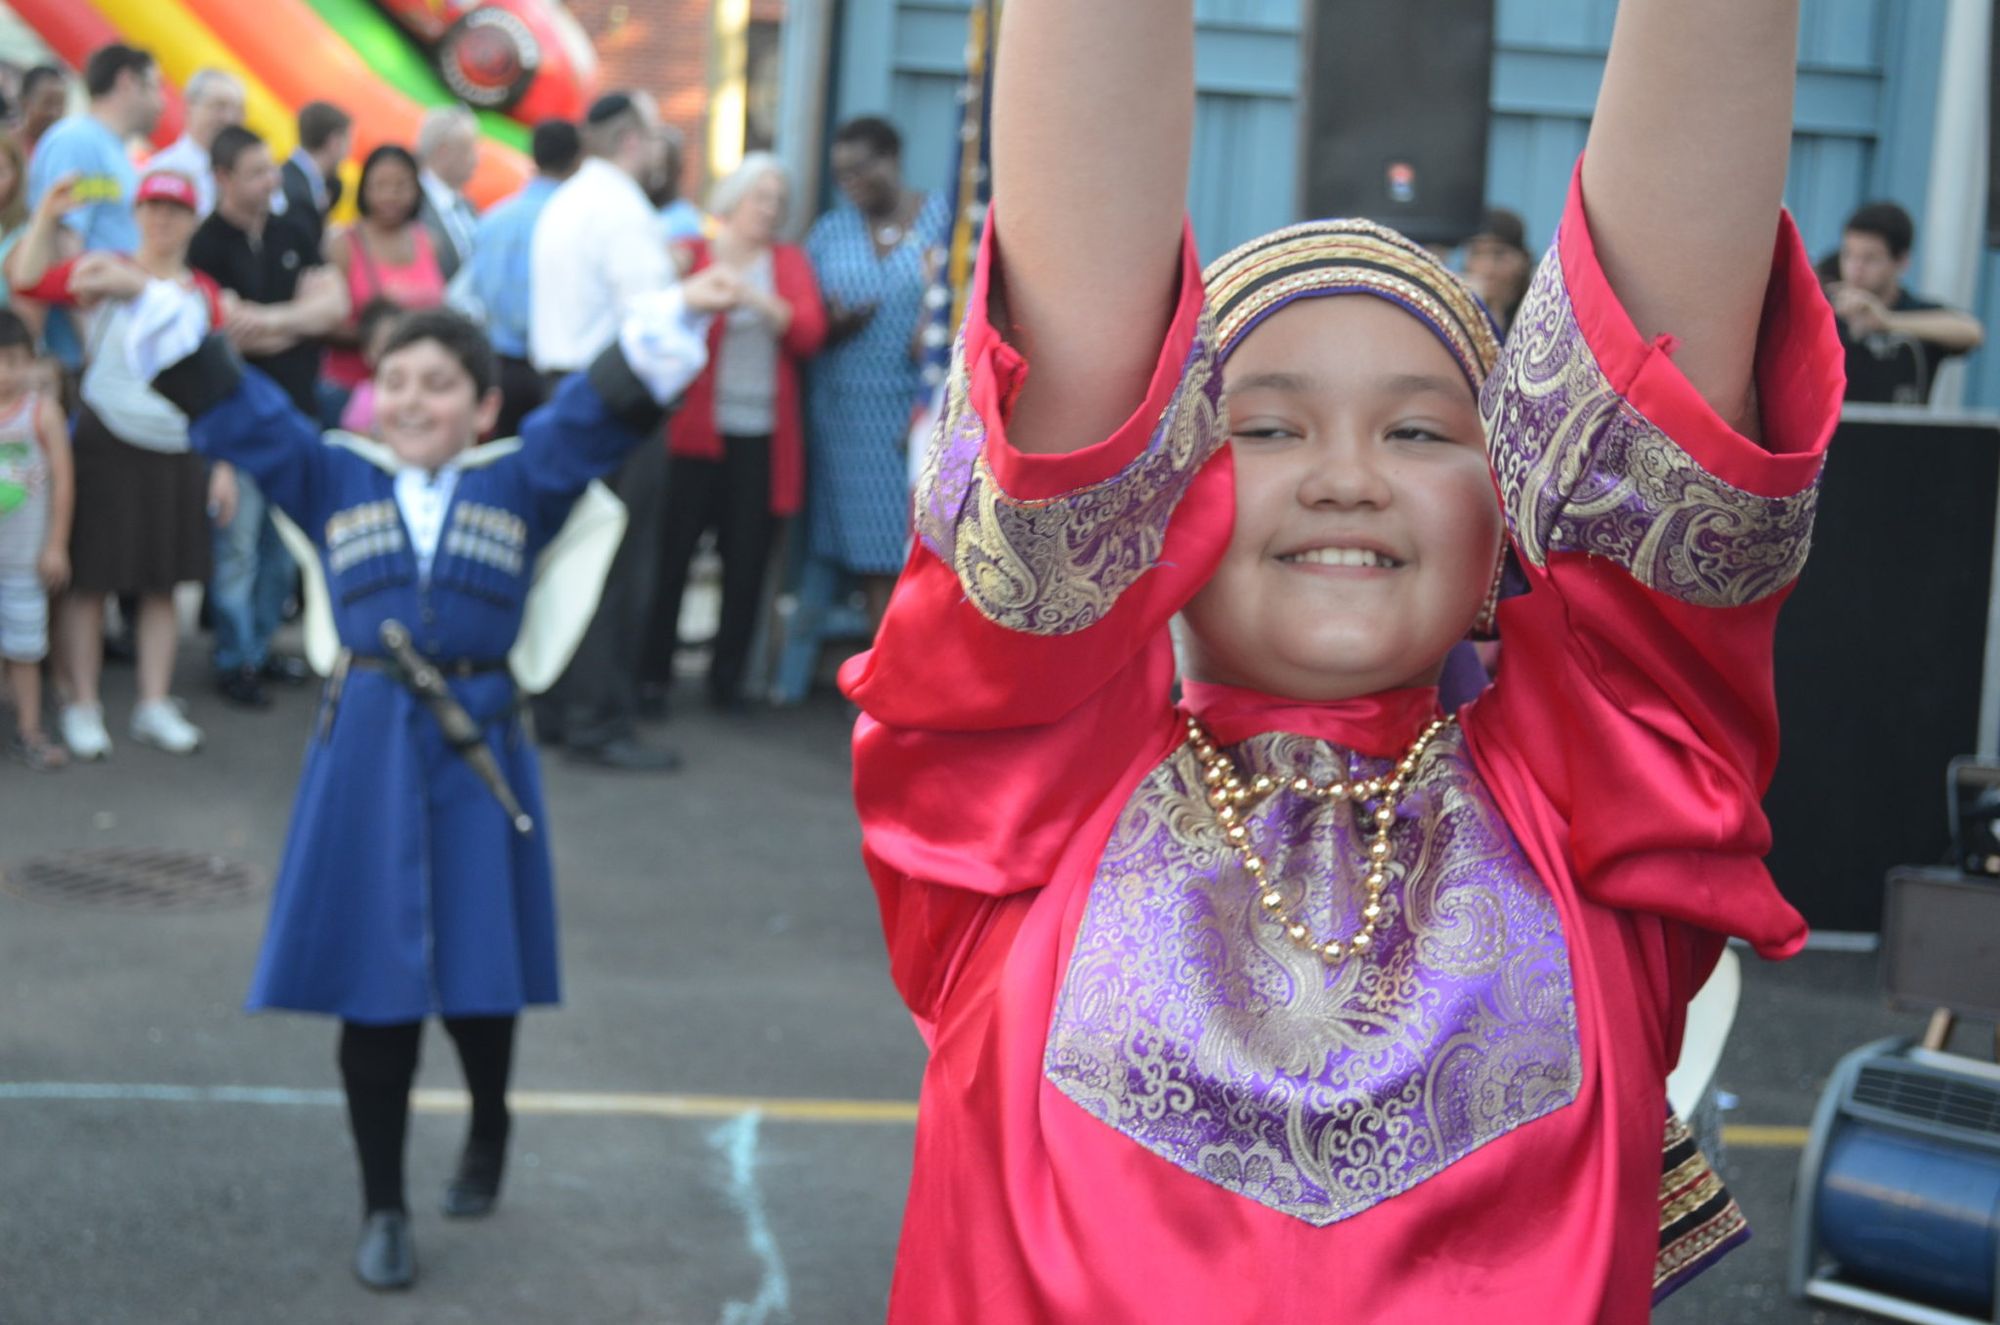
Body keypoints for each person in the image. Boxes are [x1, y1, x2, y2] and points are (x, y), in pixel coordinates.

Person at [841, 1, 1843, 1320]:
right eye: (1263, 425)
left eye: (1425, 433)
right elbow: (1064, 433)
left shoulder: (1605, 807)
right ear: (1160, 502)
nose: (1347, 478)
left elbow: (1657, 438)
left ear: (1509, 527)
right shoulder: (1021, 806)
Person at [133, 279, 724, 1291]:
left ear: (483, 407)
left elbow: (591, 419)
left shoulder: (521, 482)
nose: (412, 400)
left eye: (440, 384)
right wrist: (155, 303)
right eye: (395, 380)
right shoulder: (329, 476)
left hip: (476, 747)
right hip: (361, 753)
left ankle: (489, 1118)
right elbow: (247, 414)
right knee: (376, 991)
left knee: (480, 976)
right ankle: (383, 1204)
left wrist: (677, 312)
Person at [8, 170, 228, 758]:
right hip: (106, 437)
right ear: (136, 213)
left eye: (175, 209)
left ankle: (153, 703)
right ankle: (83, 704)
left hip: (177, 444)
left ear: (193, 219)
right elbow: (26, 280)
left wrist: (226, 464)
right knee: (90, 582)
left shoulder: (204, 291)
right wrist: (48, 216)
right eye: (153, 207)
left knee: (162, 583)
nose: (163, 219)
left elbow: (223, 387)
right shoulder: (105, 270)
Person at [529, 91, 681, 770]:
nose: (657, 154)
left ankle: (560, 704)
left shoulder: (566, 200)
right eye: (651, 141)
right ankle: (598, 719)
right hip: (614, 395)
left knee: (572, 553)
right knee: (616, 562)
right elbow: (653, 328)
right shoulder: (621, 209)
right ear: (632, 141)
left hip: (564, 386)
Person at [645, 153, 826, 714]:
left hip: (760, 435)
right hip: (694, 434)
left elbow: (808, 333)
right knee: (672, 555)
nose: (770, 210)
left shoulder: (787, 263)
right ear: (734, 201)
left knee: (745, 560)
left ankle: (728, 679)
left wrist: (753, 297)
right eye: (761, 198)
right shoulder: (693, 256)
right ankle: (652, 674)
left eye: (778, 201)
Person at [189, 124, 349, 707]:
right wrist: (296, 317)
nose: (270, 180)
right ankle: (235, 657)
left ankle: (261, 645)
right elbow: (226, 334)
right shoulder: (204, 244)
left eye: (271, 168)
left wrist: (270, 321)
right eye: (256, 171)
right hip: (238, 420)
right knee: (239, 543)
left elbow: (335, 306)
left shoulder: (295, 228)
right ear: (224, 178)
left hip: (300, 412)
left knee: (285, 546)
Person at [803, 115, 948, 627]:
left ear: (892, 160)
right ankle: (883, 671)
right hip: (850, 417)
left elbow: (968, 300)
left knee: (921, 544)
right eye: (841, 174)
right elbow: (805, 318)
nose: (851, 184)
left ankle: (907, 672)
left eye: (861, 169)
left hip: (920, 409)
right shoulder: (831, 231)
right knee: (870, 550)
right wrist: (833, 324)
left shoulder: (942, 220)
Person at [450, 119, 580, 440]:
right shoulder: (577, 221)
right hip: (555, 369)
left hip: (498, 366)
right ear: (578, 159)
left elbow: (469, 294)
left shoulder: (493, 218)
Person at [323, 145, 446, 421]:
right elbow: (324, 323)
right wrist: (377, 335)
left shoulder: (427, 241)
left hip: (416, 394)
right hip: (352, 391)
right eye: (380, 185)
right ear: (364, 188)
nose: (390, 195)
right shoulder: (343, 244)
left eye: (401, 185)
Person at [0, 308, 73, 770]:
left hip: (25, 560)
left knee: (25, 650)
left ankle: (29, 730)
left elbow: (64, 483)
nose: (7, 372)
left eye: (15, 360)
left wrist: (56, 545)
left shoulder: (41, 413)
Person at [1827, 200, 1986, 405]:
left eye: (1870, 259)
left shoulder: (1913, 312)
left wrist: (1888, 322)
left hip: (1902, 435)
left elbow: (1972, 332)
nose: (1856, 269)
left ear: (1901, 261)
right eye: (1848, 255)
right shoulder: (1826, 311)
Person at [142, 68, 245, 218]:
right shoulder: (164, 170)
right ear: (190, 107)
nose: (229, 119)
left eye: (237, 110)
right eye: (219, 106)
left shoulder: (252, 173)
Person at [278, 101, 353, 255]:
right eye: (349, 142)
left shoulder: (313, 183)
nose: (348, 153)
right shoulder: (289, 185)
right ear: (335, 142)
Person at [416, 105, 480, 282]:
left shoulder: (467, 207)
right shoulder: (412, 203)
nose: (477, 160)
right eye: (469, 150)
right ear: (444, 152)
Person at [337, 298, 404, 436]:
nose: (395, 358)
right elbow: (356, 439)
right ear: (368, 354)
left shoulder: (417, 392)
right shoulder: (366, 396)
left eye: (400, 346)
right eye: (385, 349)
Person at [1460, 207, 1533, 334]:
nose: (1488, 269)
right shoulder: (1456, 311)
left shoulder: (1536, 314)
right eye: (1477, 253)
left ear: (1523, 260)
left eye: (1499, 254)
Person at [646, 124, 705, 246]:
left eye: (662, 167)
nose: (655, 176)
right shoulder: (634, 207)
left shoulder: (685, 221)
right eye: (651, 167)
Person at [16, 65, 68, 158]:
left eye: (60, 104)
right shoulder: (8, 148)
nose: (54, 113)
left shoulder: (64, 149)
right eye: (48, 103)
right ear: (24, 103)